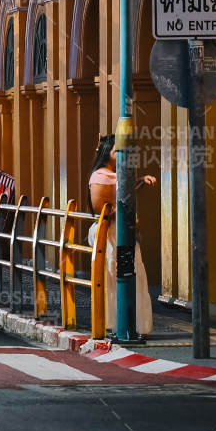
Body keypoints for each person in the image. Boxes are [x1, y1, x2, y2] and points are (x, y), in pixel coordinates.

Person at [86, 134, 154, 338]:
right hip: (113, 233)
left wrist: (140, 181)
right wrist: (125, 212)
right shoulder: (101, 176)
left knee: (129, 273)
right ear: (108, 153)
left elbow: (124, 190)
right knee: (118, 275)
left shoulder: (112, 175)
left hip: (120, 231)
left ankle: (128, 323)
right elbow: (103, 210)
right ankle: (118, 323)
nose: (123, 155)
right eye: (119, 151)